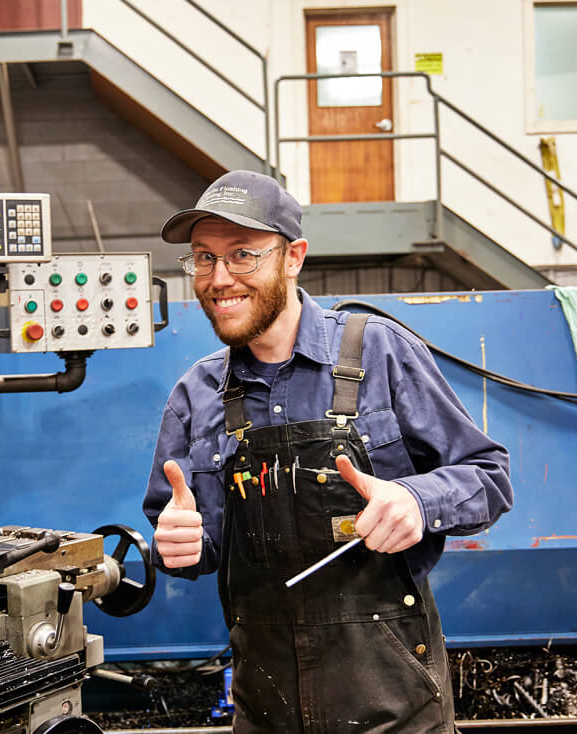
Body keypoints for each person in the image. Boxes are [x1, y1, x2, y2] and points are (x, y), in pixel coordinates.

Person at [142, 170, 513, 733]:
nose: (219, 278)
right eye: (203, 257)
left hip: (396, 706)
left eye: (243, 255)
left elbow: (488, 476)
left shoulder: (381, 352)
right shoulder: (197, 395)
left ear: (293, 257)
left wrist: (416, 500)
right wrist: (178, 546)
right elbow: (197, 543)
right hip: (266, 711)